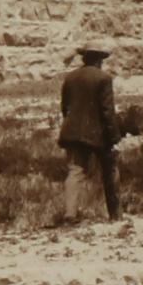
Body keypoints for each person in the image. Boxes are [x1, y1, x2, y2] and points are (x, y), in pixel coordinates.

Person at [57, 38, 123, 222]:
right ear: (100, 59)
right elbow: (107, 111)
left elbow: (65, 107)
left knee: (75, 172)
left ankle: (70, 214)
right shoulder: (103, 78)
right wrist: (114, 137)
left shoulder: (70, 78)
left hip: (72, 131)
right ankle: (116, 215)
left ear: (84, 58)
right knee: (110, 170)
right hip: (97, 134)